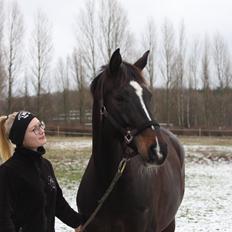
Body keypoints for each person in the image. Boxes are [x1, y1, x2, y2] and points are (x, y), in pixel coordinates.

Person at [0, 111, 85, 232]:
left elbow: (58, 204)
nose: (41, 130)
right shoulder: (7, 172)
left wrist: (79, 222)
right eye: (34, 129)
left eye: (40, 125)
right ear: (20, 138)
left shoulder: (46, 166)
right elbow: (3, 219)